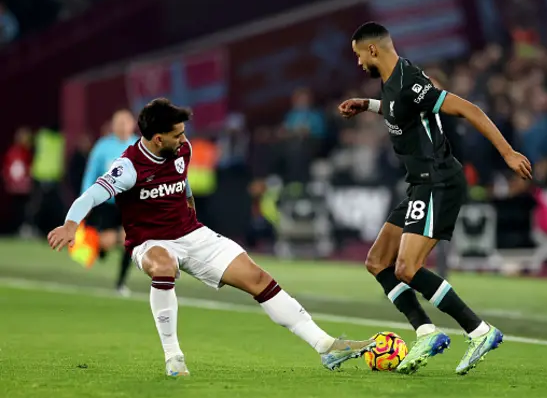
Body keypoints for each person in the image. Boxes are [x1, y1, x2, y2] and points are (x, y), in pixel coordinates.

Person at [47, 98, 373, 377]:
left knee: (258, 278)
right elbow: (89, 195)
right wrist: (71, 225)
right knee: (164, 267)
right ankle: (173, 357)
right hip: (150, 241)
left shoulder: (182, 148)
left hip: (192, 233)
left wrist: (187, 200)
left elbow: (180, 179)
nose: (185, 138)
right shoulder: (129, 166)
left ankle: (325, 346)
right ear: (157, 138)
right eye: (177, 134)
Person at [339, 22, 532, 375]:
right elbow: (398, 110)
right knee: (378, 262)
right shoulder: (392, 81)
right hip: (419, 183)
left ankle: (479, 330)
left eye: (357, 56)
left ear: (372, 51)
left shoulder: (411, 82)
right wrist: (367, 104)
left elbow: (469, 109)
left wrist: (507, 153)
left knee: (407, 269)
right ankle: (427, 332)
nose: (357, 64)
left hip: (438, 181)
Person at [81, 109, 138, 296]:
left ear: (132, 125)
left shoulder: (139, 147)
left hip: (129, 204)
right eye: (118, 122)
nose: (122, 126)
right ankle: (101, 248)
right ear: (113, 125)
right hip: (106, 203)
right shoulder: (103, 146)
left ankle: (121, 283)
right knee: (105, 242)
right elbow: (91, 173)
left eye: (125, 122)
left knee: (129, 241)